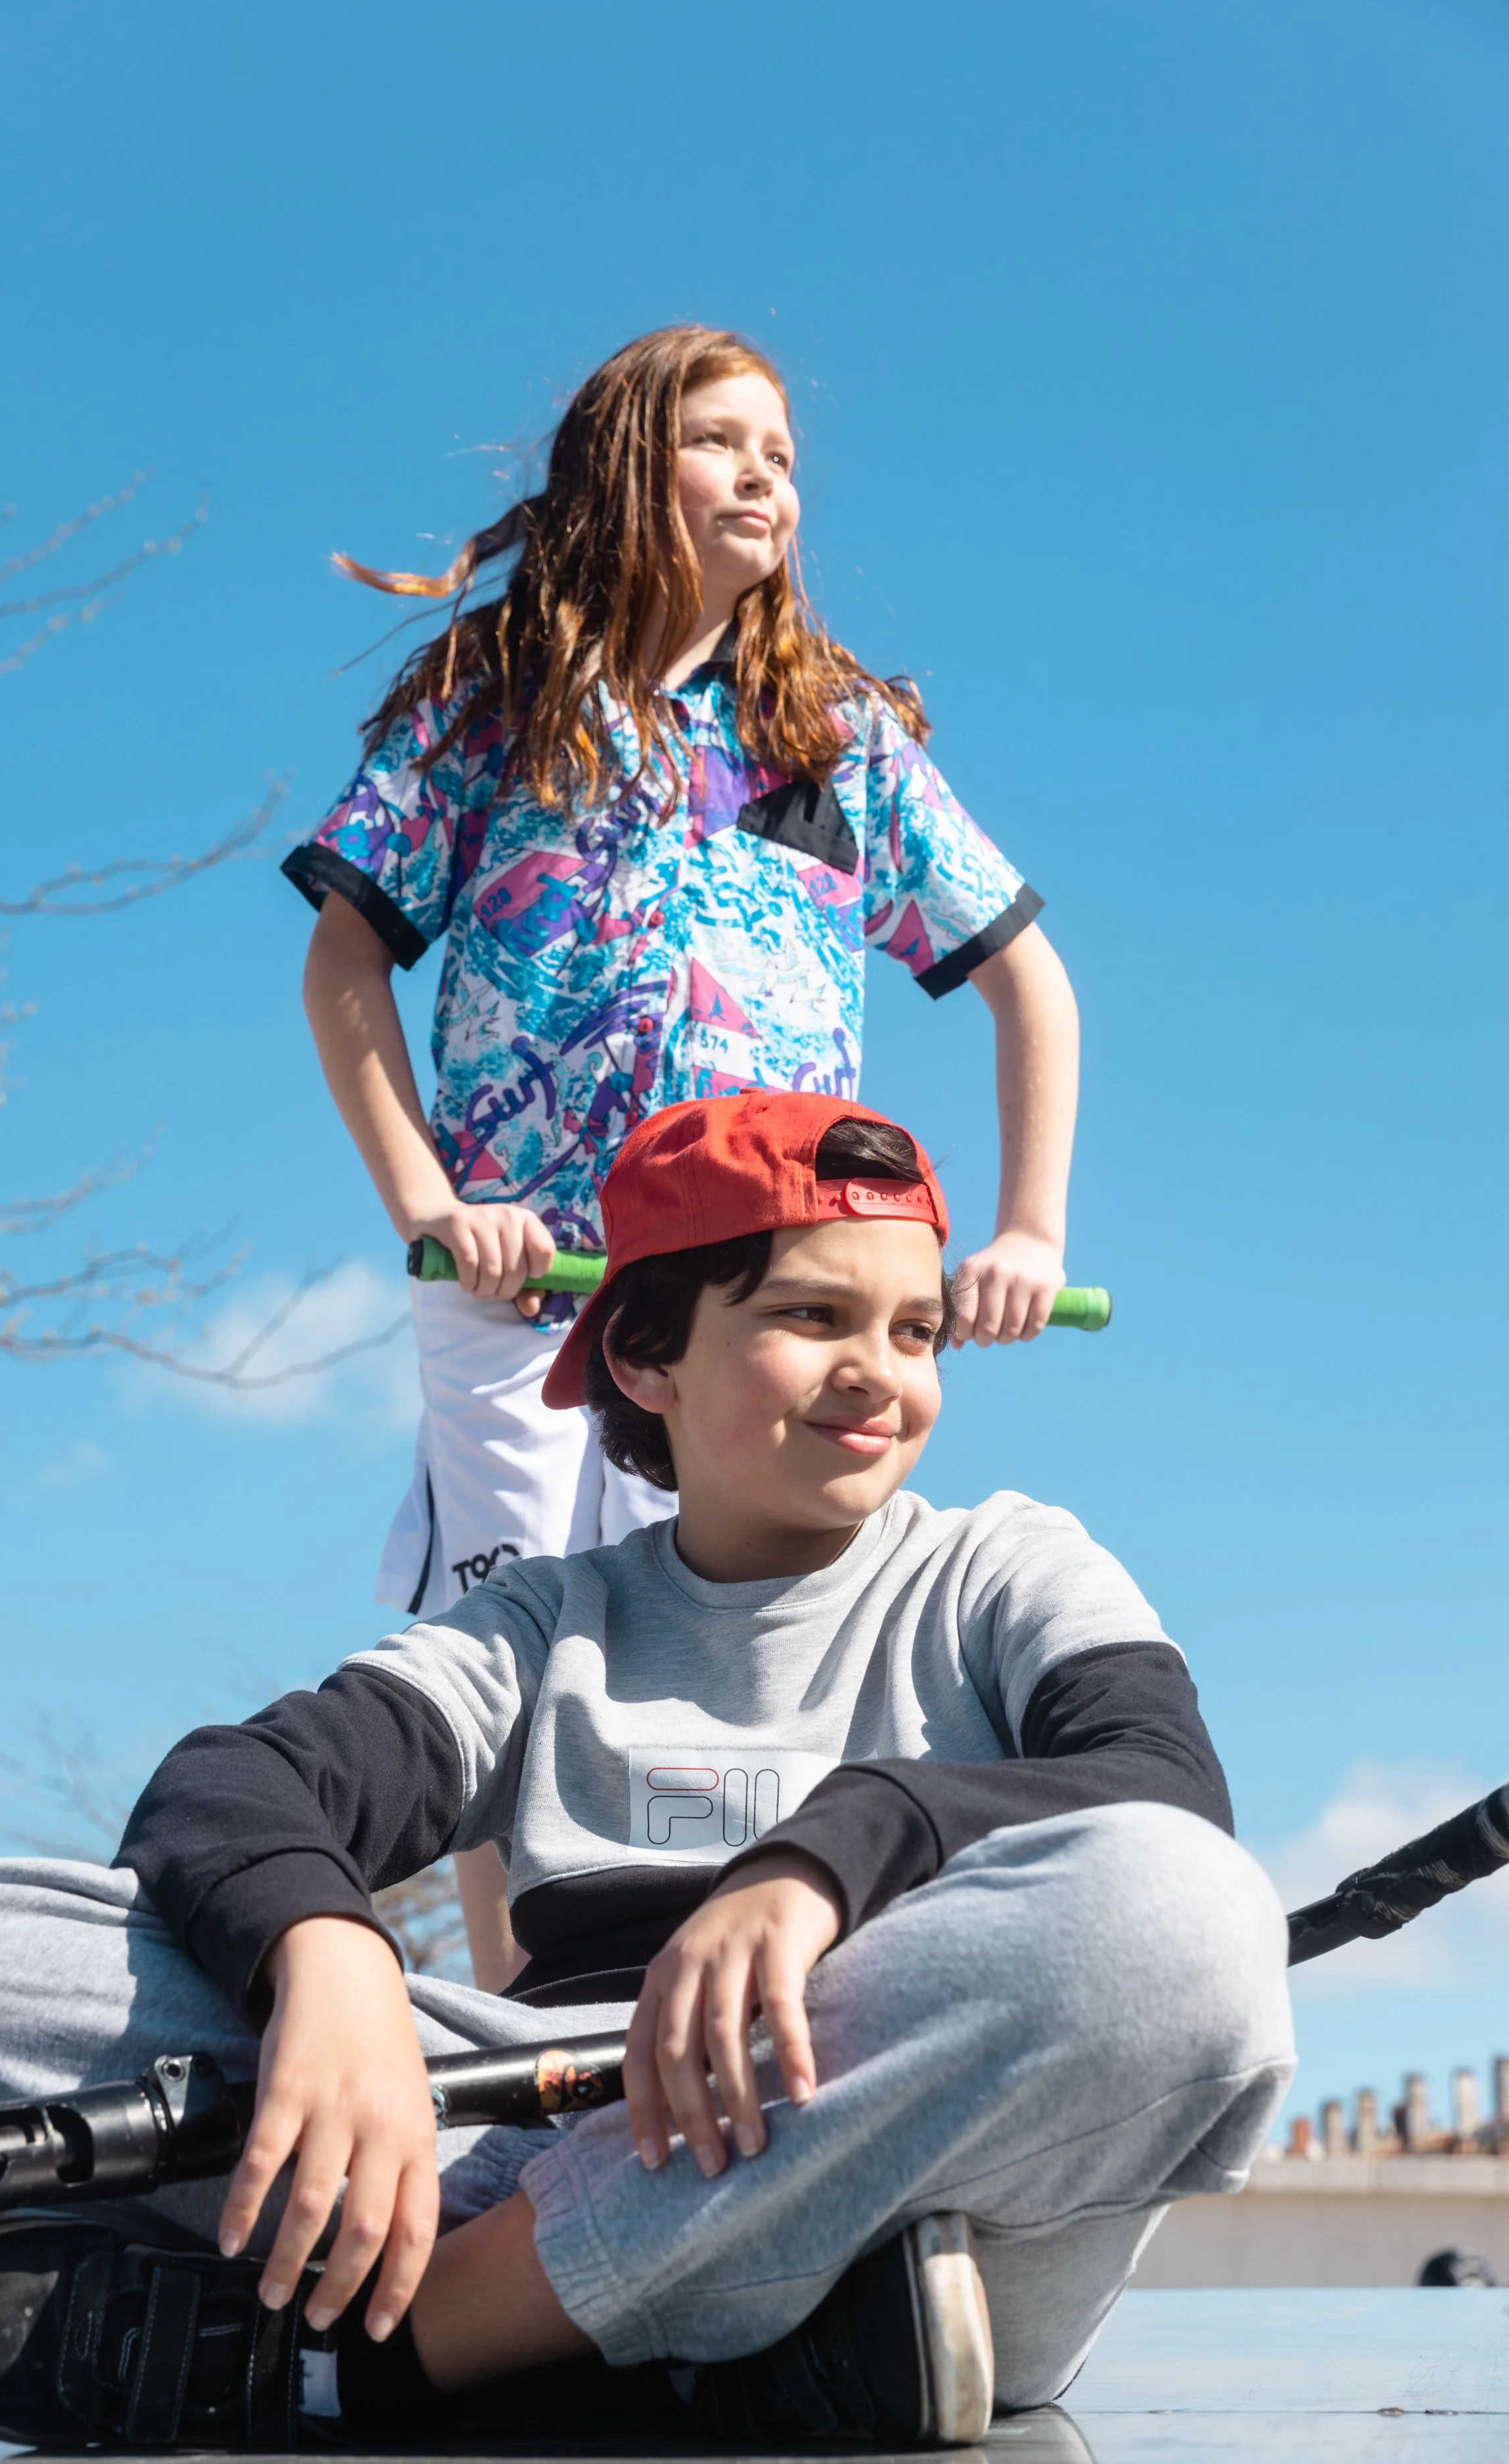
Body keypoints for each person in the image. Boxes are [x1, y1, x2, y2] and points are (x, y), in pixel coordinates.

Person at [0, 1092, 1292, 2453]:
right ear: (644, 1357)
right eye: (810, 1315)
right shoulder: (544, 1622)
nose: (879, 1371)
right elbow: (232, 1788)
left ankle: (398, 2350)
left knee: (1181, 1915)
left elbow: (1159, 1788)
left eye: (915, 1331)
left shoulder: (1009, 1562)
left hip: (903, 2192)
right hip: (540, 2152)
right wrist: (327, 1959)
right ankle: (724, 2353)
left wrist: (827, 1855)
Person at [286, 324, 1079, 1991]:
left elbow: (1024, 980)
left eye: (783, 456)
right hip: (529, 1281)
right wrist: (434, 1205)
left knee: (759, 1621)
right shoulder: (488, 711)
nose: (765, 478)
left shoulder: (833, 731)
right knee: (515, 1642)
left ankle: (772, 1966)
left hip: (761, 1278)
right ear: (627, 470)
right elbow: (343, 962)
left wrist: (1020, 1228)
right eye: (723, 443)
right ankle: (524, 2018)